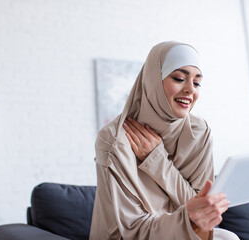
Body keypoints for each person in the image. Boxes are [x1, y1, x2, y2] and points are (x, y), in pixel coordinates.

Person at [90, 41, 239, 240]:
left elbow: (200, 207)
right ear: (153, 80)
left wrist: (157, 160)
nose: (190, 90)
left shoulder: (199, 132)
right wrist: (190, 216)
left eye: (196, 83)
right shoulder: (115, 140)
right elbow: (128, 230)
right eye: (179, 78)